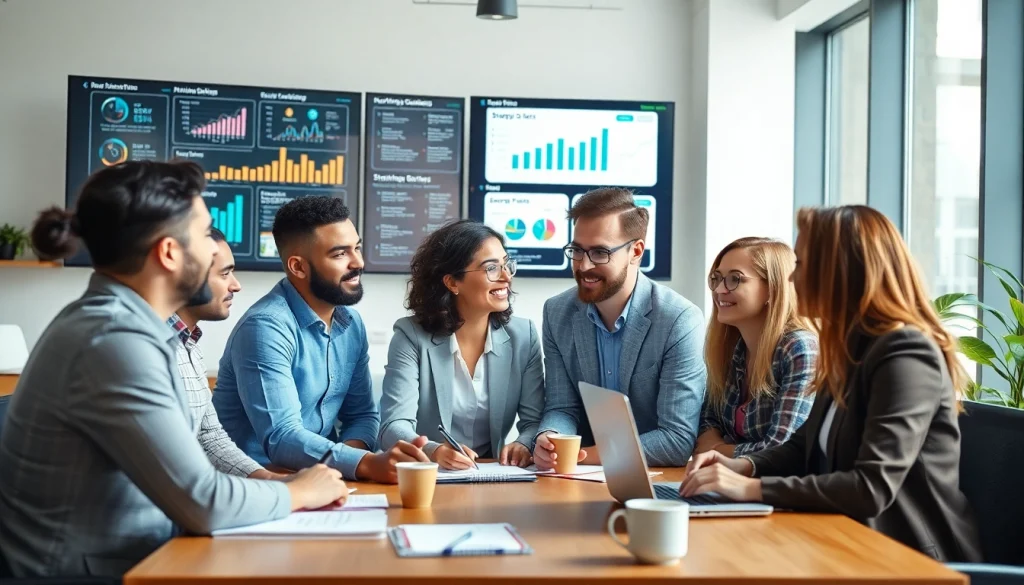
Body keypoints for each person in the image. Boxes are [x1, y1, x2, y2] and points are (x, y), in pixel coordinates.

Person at [0, 161, 347, 579]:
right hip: (91, 574)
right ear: (168, 253)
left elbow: (200, 463)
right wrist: (299, 491)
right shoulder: (114, 339)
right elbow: (203, 500)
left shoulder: (132, 327)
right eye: (204, 235)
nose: (214, 250)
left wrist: (279, 487)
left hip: (146, 557)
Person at [680, 205, 983, 563]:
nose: (791, 279)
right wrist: (744, 466)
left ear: (841, 271)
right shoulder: (848, 346)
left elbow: (871, 487)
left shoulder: (906, 353)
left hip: (906, 557)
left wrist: (751, 488)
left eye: (803, 265)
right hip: (845, 539)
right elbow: (802, 445)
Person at [212, 196, 430, 484]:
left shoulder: (351, 324)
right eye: (340, 254)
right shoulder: (264, 327)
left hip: (322, 483)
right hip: (259, 486)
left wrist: (348, 464)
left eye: (357, 248)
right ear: (298, 267)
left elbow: (363, 415)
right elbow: (281, 437)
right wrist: (364, 464)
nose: (359, 263)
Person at [533, 187, 707, 470]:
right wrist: (550, 438)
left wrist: (582, 456)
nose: (583, 265)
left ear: (635, 252)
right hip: (578, 483)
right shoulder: (557, 312)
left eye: (600, 252)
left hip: (654, 481)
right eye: (577, 250)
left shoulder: (679, 320)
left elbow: (676, 440)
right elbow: (562, 407)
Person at [380, 220, 544, 470]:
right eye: (491, 268)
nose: (506, 277)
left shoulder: (524, 335)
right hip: (430, 473)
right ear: (452, 283)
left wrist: (523, 443)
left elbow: (535, 421)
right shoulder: (410, 336)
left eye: (506, 264)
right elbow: (393, 426)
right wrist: (433, 451)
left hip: (492, 473)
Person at [169, 227, 285, 480]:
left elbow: (209, 437)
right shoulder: (150, 348)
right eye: (225, 273)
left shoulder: (188, 344)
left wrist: (274, 482)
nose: (236, 285)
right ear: (186, 276)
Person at [694, 237, 818, 457]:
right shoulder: (731, 348)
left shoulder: (800, 349)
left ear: (773, 289)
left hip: (778, 488)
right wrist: (715, 447)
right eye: (716, 278)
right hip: (730, 484)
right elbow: (706, 422)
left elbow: (781, 450)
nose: (719, 289)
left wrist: (717, 450)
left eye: (735, 279)